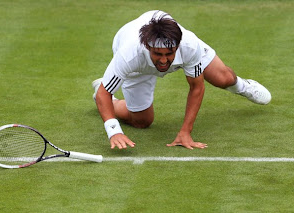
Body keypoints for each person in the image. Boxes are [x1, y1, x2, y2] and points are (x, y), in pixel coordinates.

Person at [91, 10, 271, 150]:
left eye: (169, 54)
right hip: (137, 65)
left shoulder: (189, 46)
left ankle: (243, 87)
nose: (163, 61)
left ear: (177, 46)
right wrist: (114, 131)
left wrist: (185, 131)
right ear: (147, 47)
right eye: (158, 54)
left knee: (223, 78)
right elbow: (103, 94)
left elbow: (196, 87)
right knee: (141, 121)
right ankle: (109, 93)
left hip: (170, 37)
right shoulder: (128, 54)